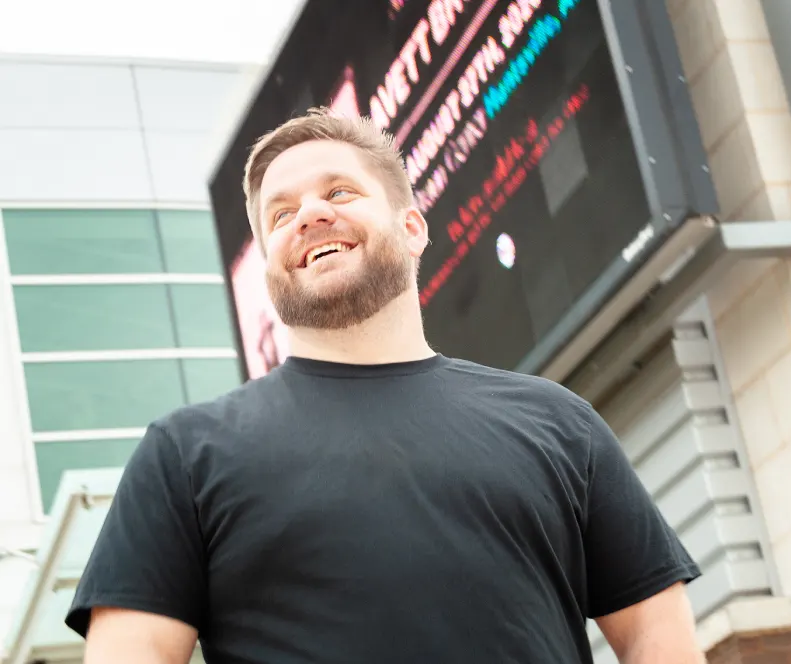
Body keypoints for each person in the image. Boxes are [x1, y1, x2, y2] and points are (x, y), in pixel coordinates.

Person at [66, 109, 704, 664]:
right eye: (280, 213)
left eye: (339, 193)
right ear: (269, 270)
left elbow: (657, 633)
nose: (310, 215)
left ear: (412, 228)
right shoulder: (184, 454)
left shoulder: (559, 424)